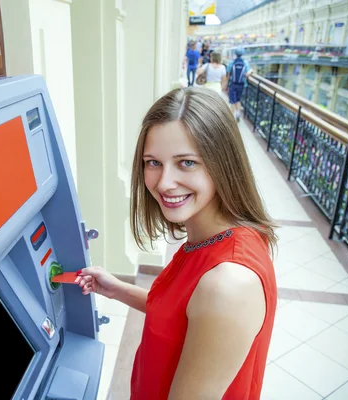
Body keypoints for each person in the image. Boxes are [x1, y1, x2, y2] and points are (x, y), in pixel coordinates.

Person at [78, 87, 278, 399]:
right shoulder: (213, 237)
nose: (164, 182)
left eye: (186, 163)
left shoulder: (228, 283)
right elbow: (182, 314)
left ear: (223, 163)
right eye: (153, 162)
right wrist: (117, 289)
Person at [227, 47, 253, 122]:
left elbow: (228, 72)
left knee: (232, 100)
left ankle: (232, 116)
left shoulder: (232, 62)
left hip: (233, 84)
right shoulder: (245, 63)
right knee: (238, 99)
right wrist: (251, 71)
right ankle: (238, 113)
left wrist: (227, 84)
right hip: (242, 84)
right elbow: (248, 73)